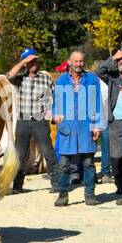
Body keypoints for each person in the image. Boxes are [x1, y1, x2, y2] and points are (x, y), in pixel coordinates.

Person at [50, 50, 103, 207]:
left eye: (81, 61)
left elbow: (97, 103)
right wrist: (54, 116)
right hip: (67, 126)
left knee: (88, 163)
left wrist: (97, 126)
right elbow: (56, 104)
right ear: (69, 62)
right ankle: (63, 194)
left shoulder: (92, 80)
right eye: (76, 61)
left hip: (86, 126)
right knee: (64, 164)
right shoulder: (61, 81)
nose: (79, 64)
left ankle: (89, 194)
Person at [6, 49, 58, 195]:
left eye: (35, 60)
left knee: (48, 151)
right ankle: (17, 186)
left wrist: (53, 112)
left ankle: (56, 182)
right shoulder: (19, 79)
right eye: (30, 61)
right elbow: (9, 75)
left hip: (39, 120)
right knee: (20, 155)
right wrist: (23, 61)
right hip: (23, 121)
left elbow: (57, 95)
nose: (34, 63)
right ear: (25, 64)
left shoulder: (45, 78)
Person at [93, 49, 122, 197]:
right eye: (119, 59)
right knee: (116, 157)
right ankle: (121, 186)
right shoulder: (112, 77)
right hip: (115, 121)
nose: (121, 61)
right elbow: (98, 71)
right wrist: (114, 57)